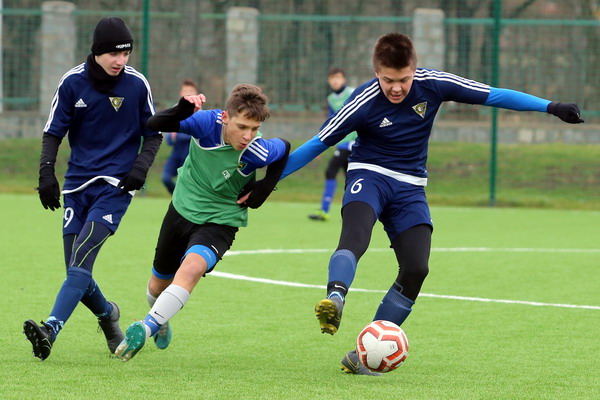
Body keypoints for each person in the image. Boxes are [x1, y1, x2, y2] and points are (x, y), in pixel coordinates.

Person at [281, 33, 583, 375]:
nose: (397, 88)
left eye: (404, 79)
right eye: (388, 80)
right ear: (376, 72)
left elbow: (494, 94)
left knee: (416, 269)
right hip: (369, 175)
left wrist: (551, 107)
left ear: (414, 69)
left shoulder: (434, 84)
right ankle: (335, 298)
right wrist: (266, 184)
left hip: (411, 187)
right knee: (356, 236)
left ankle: (365, 354)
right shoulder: (361, 100)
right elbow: (316, 144)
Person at [114, 84, 290, 361]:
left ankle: (146, 328)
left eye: (255, 129)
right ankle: (161, 319)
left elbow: (285, 148)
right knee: (156, 287)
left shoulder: (258, 149)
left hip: (221, 220)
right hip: (181, 210)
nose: (248, 136)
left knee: (192, 268)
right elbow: (155, 123)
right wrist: (181, 110)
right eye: (242, 127)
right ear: (225, 117)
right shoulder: (207, 123)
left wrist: (266, 187)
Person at [23, 17, 162, 361]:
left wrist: (139, 169)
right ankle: (108, 315)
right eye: (114, 53)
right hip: (77, 186)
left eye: (126, 53)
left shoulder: (136, 84)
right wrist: (46, 173)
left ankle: (50, 329)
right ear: (97, 52)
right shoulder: (72, 82)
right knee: (76, 270)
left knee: (82, 257)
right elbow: (53, 132)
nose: (121, 60)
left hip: (115, 186)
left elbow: (153, 134)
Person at [308, 68, 357, 222]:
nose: (335, 81)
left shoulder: (352, 93)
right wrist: (319, 146)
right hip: (342, 145)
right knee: (350, 178)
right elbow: (331, 122)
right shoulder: (330, 99)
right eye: (332, 78)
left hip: (353, 144)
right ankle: (346, 212)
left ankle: (326, 210)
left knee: (332, 171)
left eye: (338, 77)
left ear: (344, 79)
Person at [161, 79, 199, 194]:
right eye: (185, 91)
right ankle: (176, 197)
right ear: (181, 93)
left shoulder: (198, 112)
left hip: (190, 155)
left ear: (196, 94)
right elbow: (169, 139)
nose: (188, 94)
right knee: (166, 178)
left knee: (187, 184)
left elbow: (195, 135)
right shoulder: (175, 110)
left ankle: (183, 199)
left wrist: (177, 135)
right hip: (176, 153)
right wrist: (172, 136)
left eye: (191, 91)